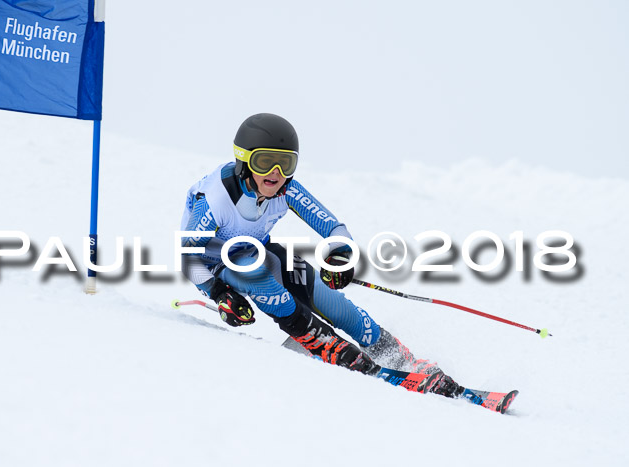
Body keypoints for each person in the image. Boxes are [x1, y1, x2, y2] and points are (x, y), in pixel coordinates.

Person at [180, 113, 462, 397]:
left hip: (260, 250)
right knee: (257, 275)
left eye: (286, 163)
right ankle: (331, 347)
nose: (276, 172)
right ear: (244, 160)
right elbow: (188, 257)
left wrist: (340, 255)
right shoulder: (217, 199)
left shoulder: (286, 189)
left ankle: (400, 358)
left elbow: (334, 227)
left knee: (331, 302)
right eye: (264, 162)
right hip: (218, 265)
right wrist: (217, 292)